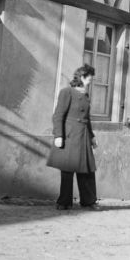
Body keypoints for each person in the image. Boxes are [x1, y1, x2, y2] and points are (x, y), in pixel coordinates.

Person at [46, 64, 100, 211]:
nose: (91, 81)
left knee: (87, 169)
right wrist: (58, 135)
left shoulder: (85, 95)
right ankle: (64, 202)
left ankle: (89, 201)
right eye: (89, 78)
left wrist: (92, 136)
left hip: (83, 136)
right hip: (69, 135)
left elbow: (86, 118)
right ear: (82, 77)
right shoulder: (67, 92)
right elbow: (58, 115)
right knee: (67, 170)